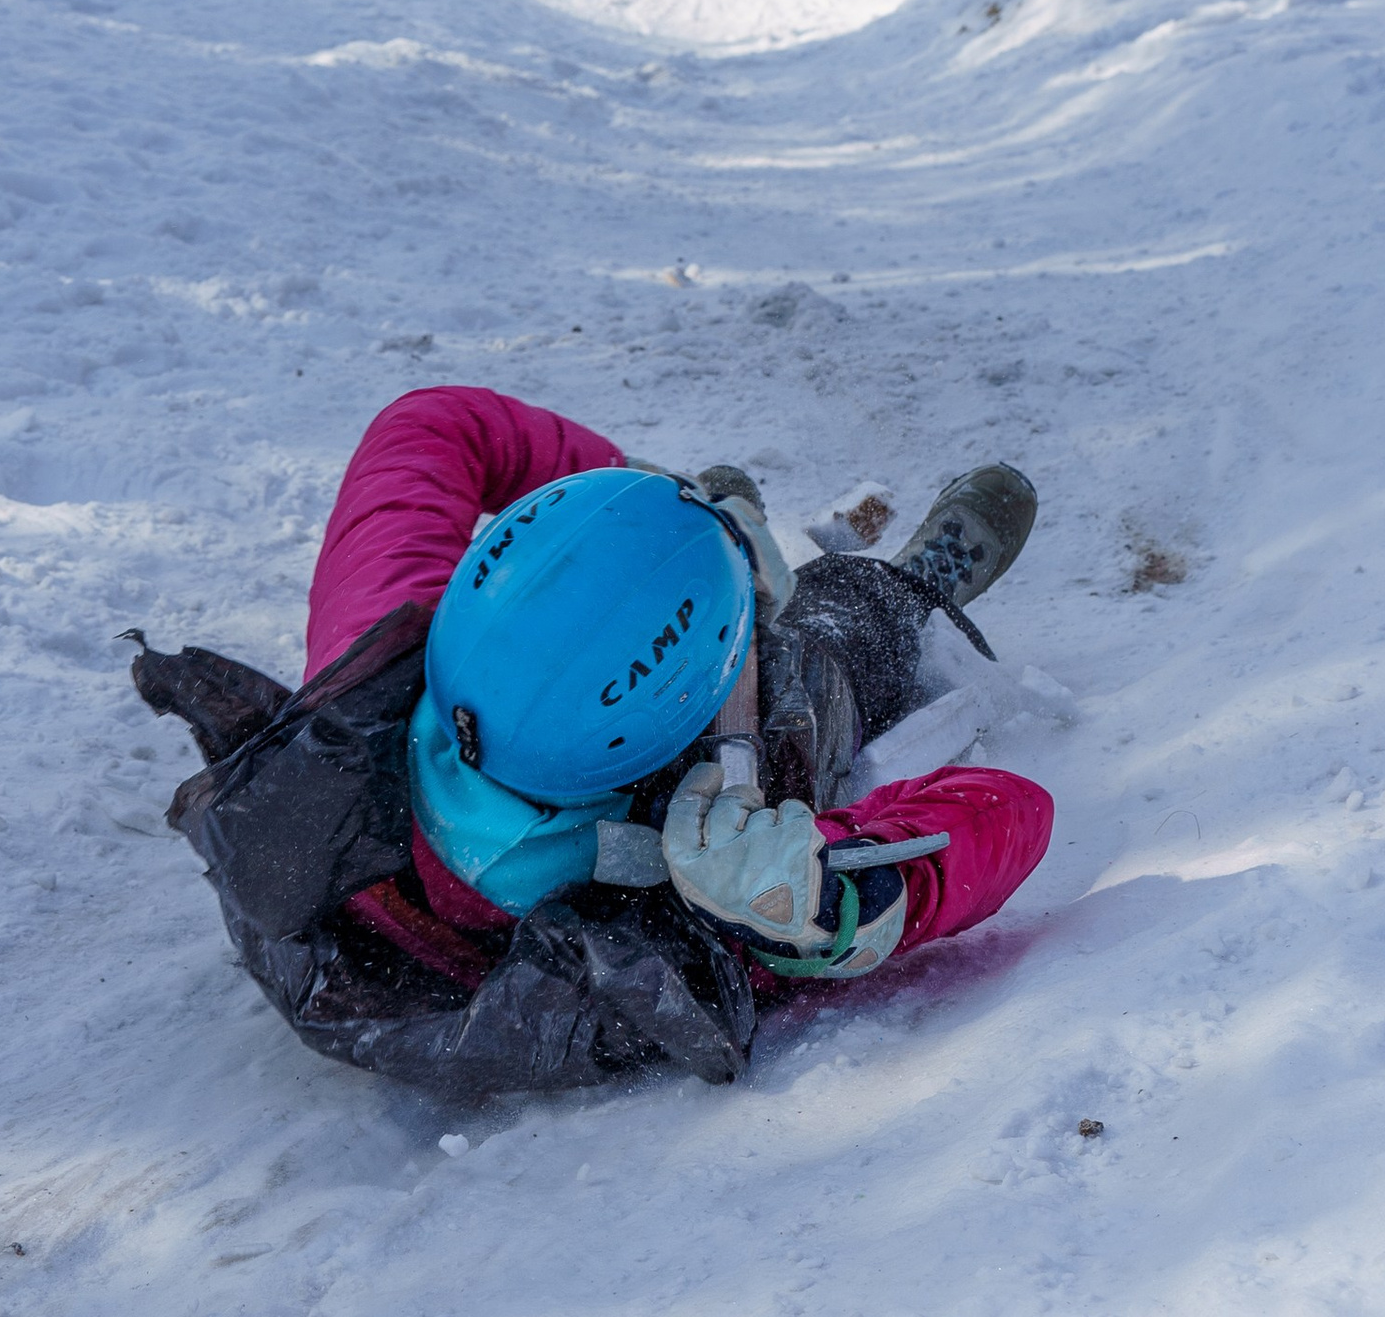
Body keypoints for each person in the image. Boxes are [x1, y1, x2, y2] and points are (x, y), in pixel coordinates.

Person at [131, 385, 1054, 1101]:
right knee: (834, 634)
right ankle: (903, 588)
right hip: (767, 725)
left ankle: (727, 522)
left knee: (764, 606)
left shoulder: (368, 663)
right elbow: (1013, 812)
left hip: (609, 685)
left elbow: (428, 428)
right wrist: (817, 901)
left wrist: (625, 507)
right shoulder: (665, 923)